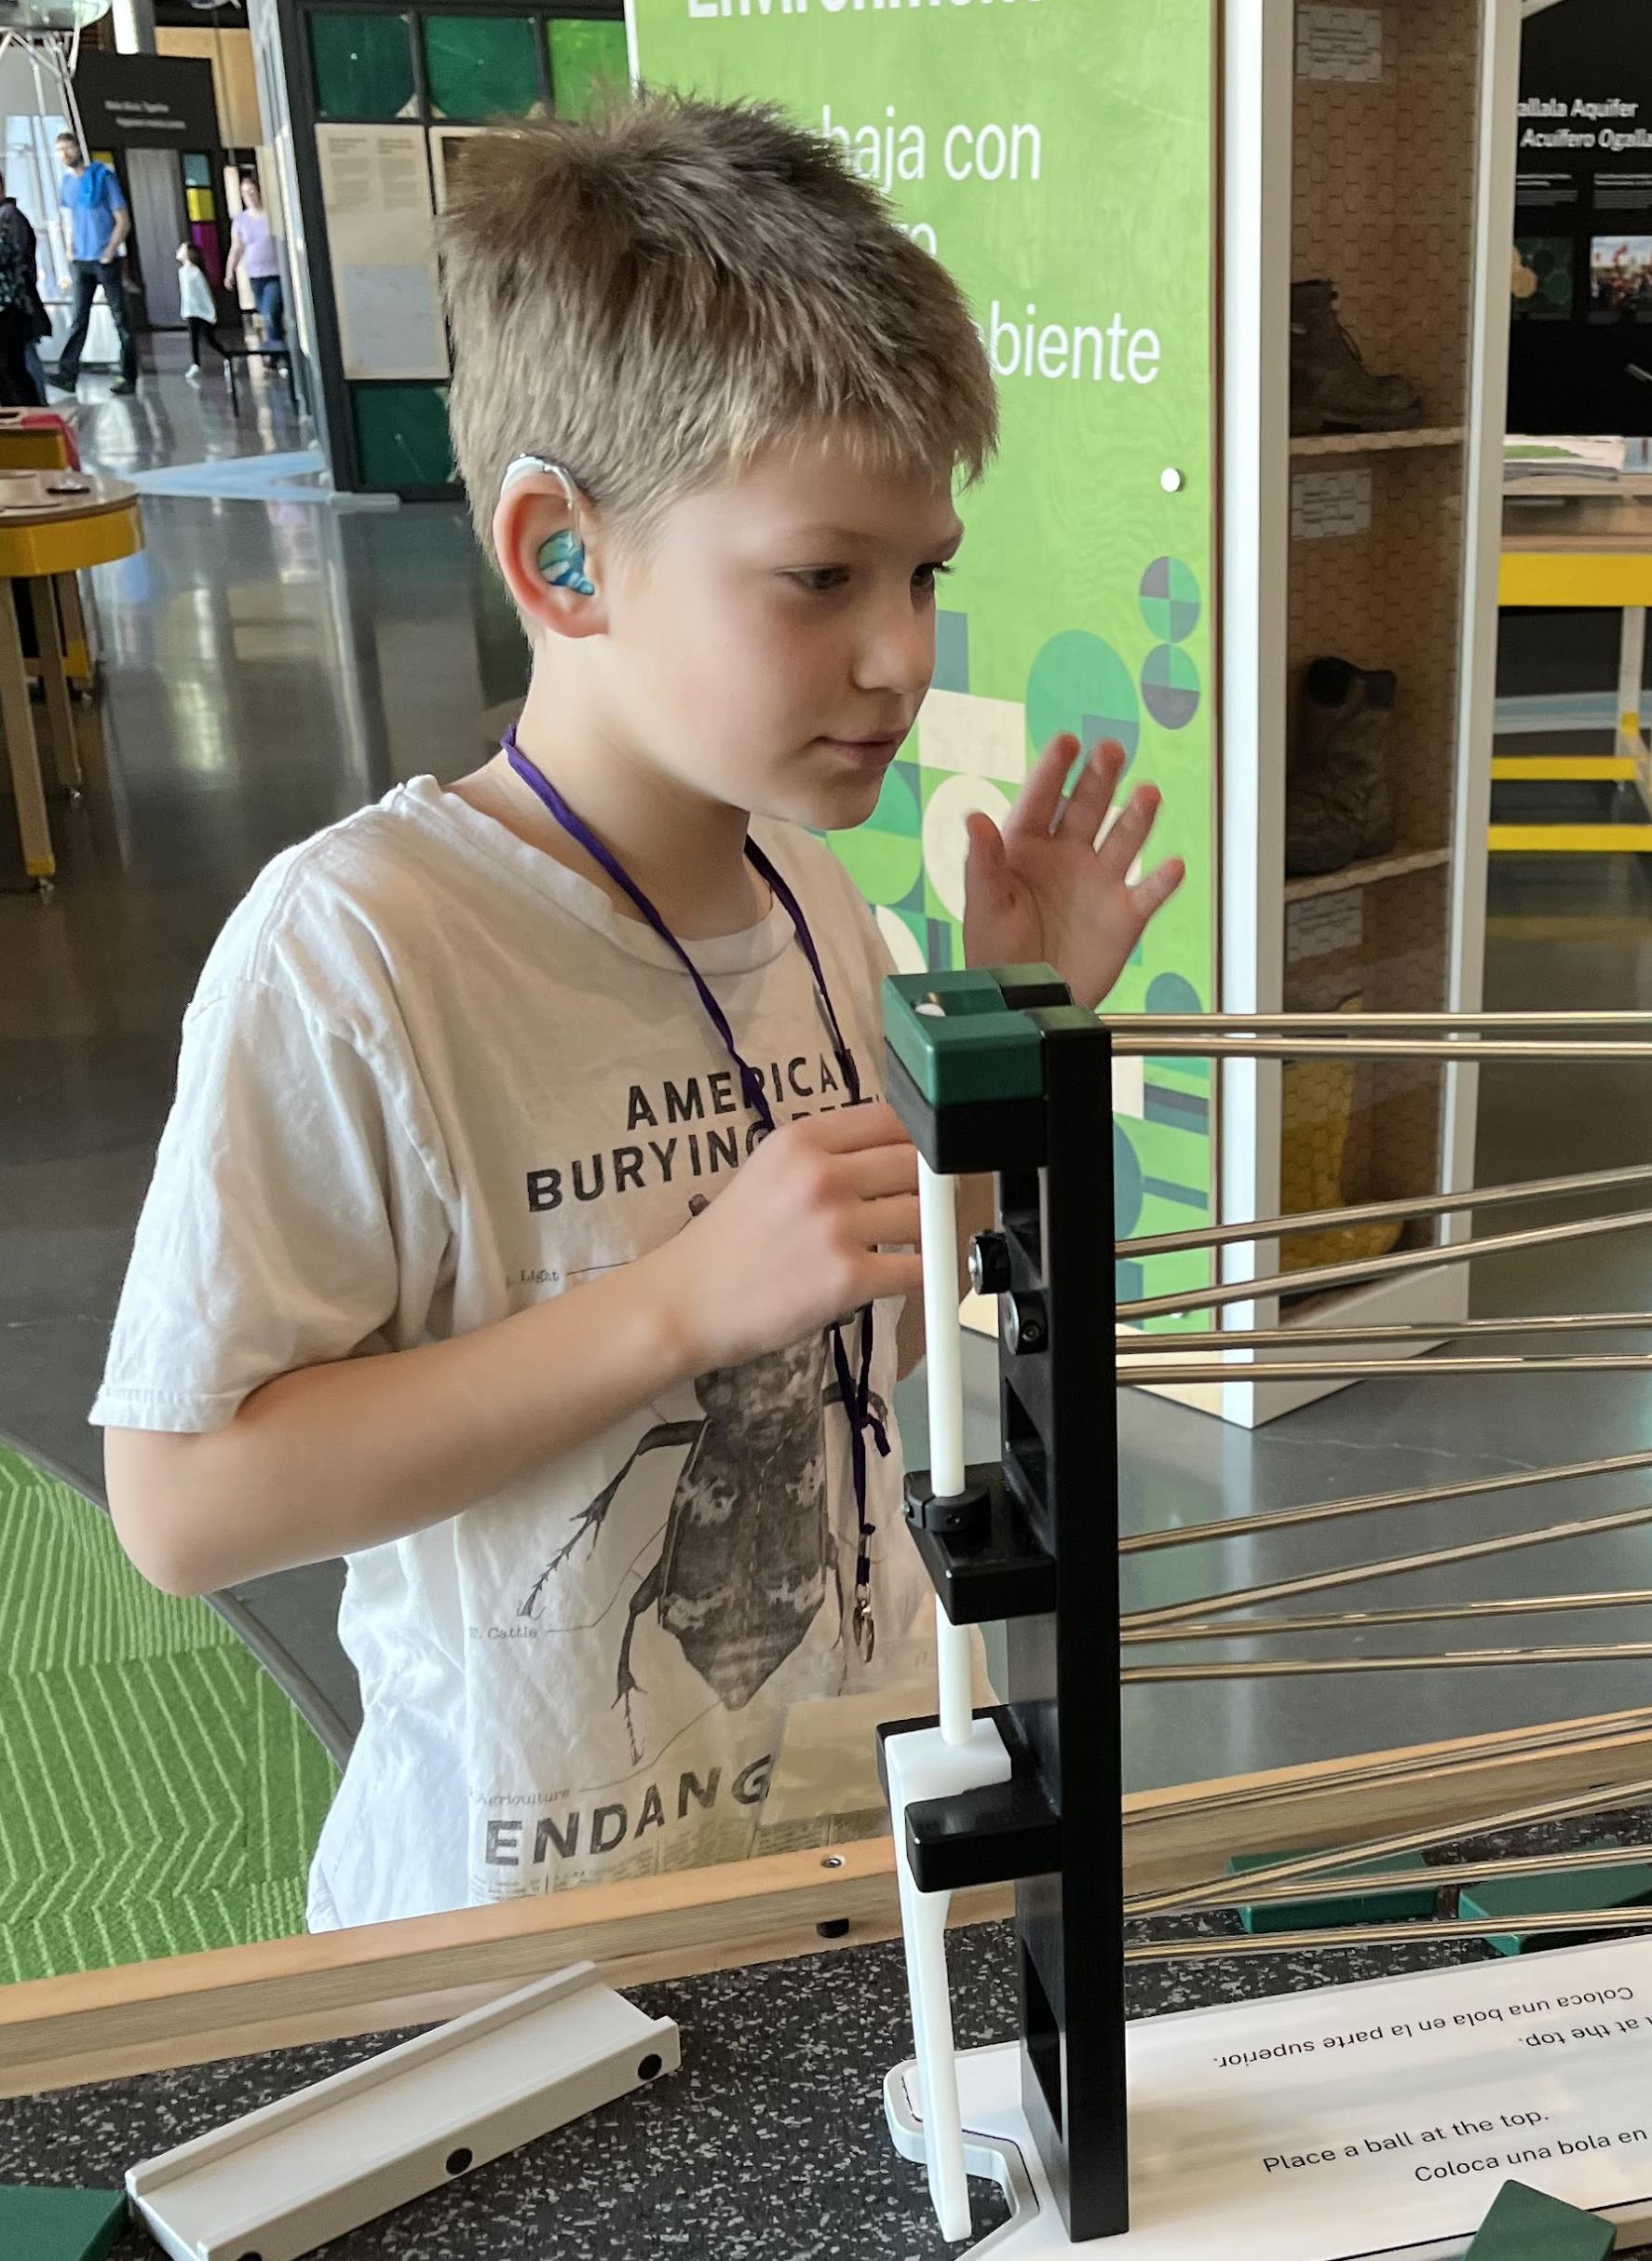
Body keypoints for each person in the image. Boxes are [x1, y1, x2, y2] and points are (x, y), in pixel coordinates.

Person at [94, 99, 1184, 1934]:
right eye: (820, 575)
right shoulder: (360, 948)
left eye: (923, 573)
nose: (904, 651)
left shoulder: (808, 896)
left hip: (844, 1861)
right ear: (563, 557)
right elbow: (185, 1502)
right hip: (508, 1943)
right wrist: (674, 1298)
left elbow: (868, 1355)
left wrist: (996, 1048)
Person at [52, 131, 137, 396]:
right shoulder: (66, 184)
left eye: (68, 148)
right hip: (81, 261)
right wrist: (69, 247)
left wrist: (109, 251)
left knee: (120, 319)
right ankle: (67, 375)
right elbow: (69, 219)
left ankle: (128, 376)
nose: (65, 154)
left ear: (79, 148)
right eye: (60, 150)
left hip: (104, 260)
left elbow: (122, 219)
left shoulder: (103, 178)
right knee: (79, 319)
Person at [0, 172, 43, 405]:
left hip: (10, 305)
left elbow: (12, 256)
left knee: (13, 366)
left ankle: (34, 415)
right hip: (11, 303)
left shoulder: (9, 217)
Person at [224, 175, 282, 343]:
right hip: (255, 276)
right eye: (244, 193)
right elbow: (237, 248)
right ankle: (276, 351)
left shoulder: (271, 215)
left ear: (258, 191)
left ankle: (279, 356)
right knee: (266, 316)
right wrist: (230, 272)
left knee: (270, 314)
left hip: (275, 273)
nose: (248, 195)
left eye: (251, 191)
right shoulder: (240, 220)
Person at [176, 241, 226, 385]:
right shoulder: (182, 272)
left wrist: (210, 312)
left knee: (209, 339)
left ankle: (227, 356)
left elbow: (204, 293)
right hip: (190, 311)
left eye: (182, 249)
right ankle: (195, 363)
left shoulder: (195, 272)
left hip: (201, 311)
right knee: (193, 338)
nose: (178, 251)